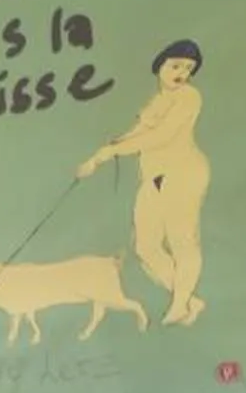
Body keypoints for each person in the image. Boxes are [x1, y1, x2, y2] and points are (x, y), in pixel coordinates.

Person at [79, 40, 212, 326]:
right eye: (175, 65)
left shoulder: (189, 97)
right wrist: (100, 155)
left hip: (184, 173)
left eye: (188, 68)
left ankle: (179, 305)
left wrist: (112, 151)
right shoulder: (157, 101)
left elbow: (160, 136)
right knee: (145, 247)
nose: (181, 72)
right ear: (160, 66)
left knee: (182, 242)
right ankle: (190, 300)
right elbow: (139, 132)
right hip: (154, 178)